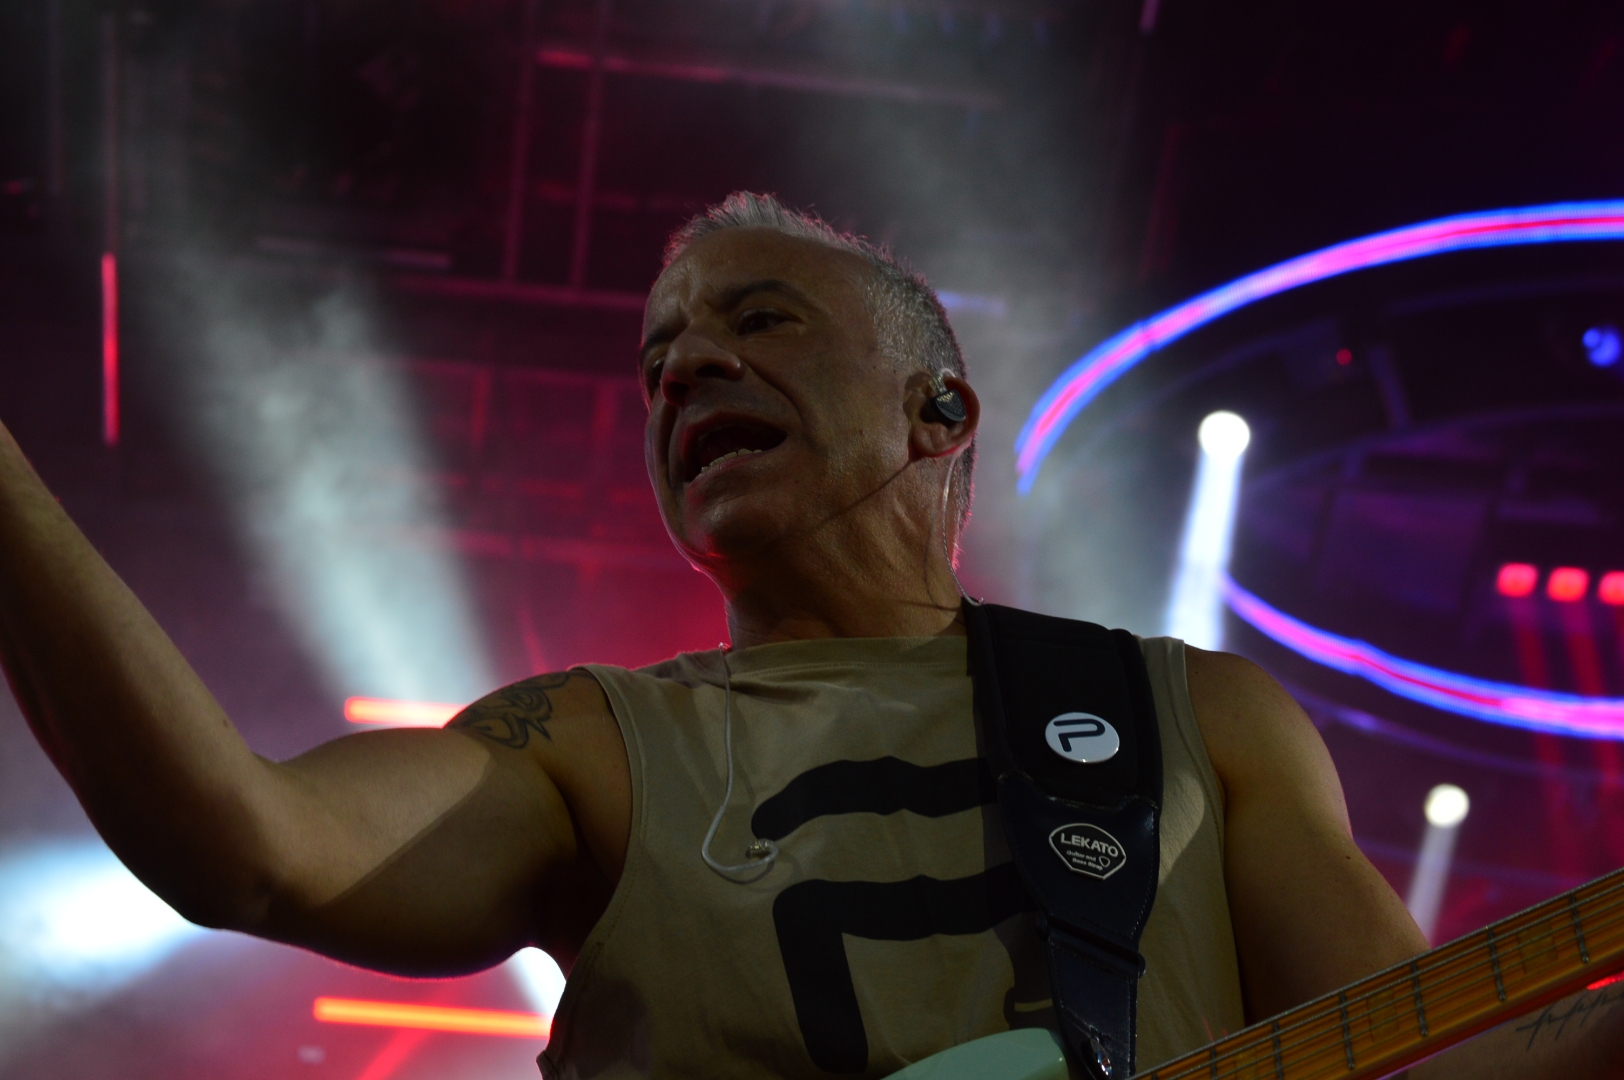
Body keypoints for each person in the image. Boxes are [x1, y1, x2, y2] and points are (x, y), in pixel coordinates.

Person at [1, 192, 1618, 1079]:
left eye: (755, 322)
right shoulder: (588, 747)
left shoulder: (1202, 721)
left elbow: (1438, 1058)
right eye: (658, 362)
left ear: (941, 408)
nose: (685, 371)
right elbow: (249, 849)